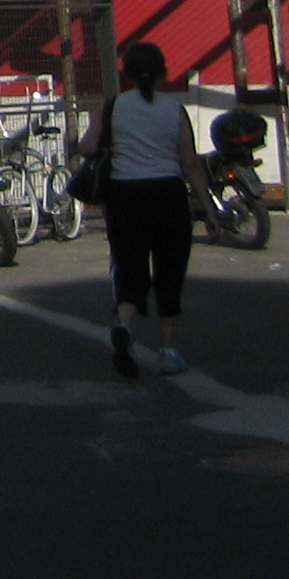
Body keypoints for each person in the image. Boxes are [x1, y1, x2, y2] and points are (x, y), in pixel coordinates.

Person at [80, 41, 211, 379]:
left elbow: (87, 146)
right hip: (167, 194)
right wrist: (210, 211)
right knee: (169, 271)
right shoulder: (174, 110)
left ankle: (124, 325)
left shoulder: (112, 107)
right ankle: (167, 349)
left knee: (130, 267)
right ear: (163, 73)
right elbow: (190, 163)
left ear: (127, 74)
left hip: (125, 196)